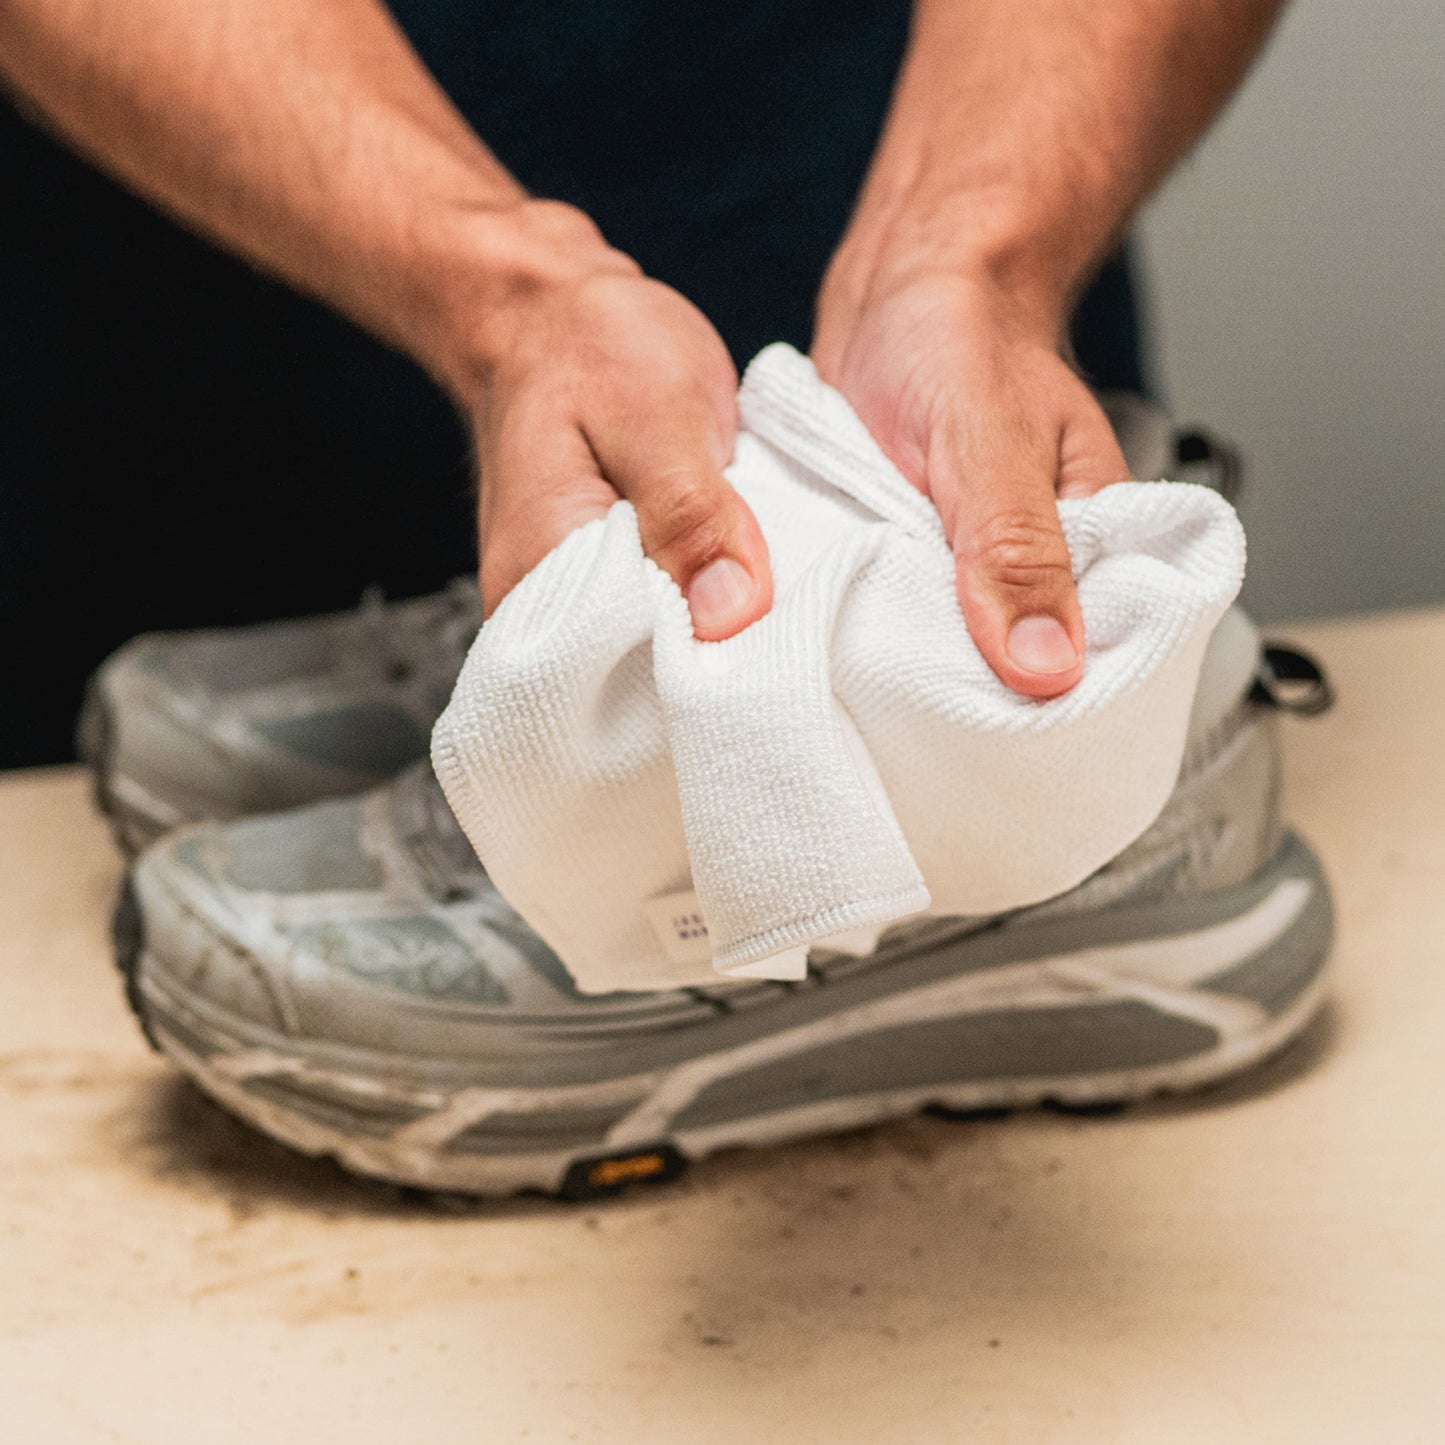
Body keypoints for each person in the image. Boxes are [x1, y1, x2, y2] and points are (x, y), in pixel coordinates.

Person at [0, 0, 1284, 767]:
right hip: (180, 316)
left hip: (917, 166)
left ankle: (982, 795)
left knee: (979, 576)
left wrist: (967, 246)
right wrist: (505, 290)